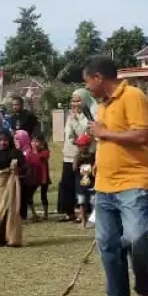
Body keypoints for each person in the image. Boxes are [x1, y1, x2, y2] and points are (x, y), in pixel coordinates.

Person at [84, 56, 148, 296]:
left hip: (134, 182)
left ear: (98, 78)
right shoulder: (102, 106)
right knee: (107, 244)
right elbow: (107, 141)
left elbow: (141, 135)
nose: (88, 88)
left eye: (88, 82)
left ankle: (144, 288)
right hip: (105, 185)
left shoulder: (133, 96)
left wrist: (104, 134)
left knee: (137, 238)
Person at [61, 90, 94, 219]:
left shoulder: (89, 116)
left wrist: (75, 122)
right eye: (73, 101)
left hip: (85, 157)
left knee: (84, 183)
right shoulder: (70, 115)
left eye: (78, 100)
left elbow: (82, 135)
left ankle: (84, 212)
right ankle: (70, 212)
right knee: (67, 184)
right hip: (69, 154)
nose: (75, 104)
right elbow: (69, 135)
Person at [74, 134, 97, 227]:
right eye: (78, 146)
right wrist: (79, 159)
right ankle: (83, 221)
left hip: (91, 183)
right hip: (81, 184)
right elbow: (74, 168)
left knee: (93, 202)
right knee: (82, 202)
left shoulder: (92, 156)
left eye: (81, 145)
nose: (80, 148)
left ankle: (94, 220)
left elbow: (95, 169)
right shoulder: (78, 157)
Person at [31, 134, 52, 220]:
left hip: (43, 177)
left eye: (36, 142)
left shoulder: (45, 152)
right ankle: (33, 214)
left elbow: (39, 157)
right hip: (34, 177)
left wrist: (35, 151)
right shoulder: (30, 152)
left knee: (43, 196)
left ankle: (46, 214)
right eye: (33, 141)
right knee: (30, 195)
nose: (34, 144)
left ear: (42, 143)